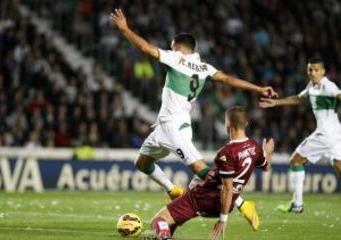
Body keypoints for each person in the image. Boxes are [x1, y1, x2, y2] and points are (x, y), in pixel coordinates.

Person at [110, 9, 277, 230]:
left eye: (172, 46)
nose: (170, 49)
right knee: (142, 163)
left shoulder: (176, 58)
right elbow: (227, 79)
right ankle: (172, 189)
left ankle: (242, 203)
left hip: (173, 127)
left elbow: (145, 48)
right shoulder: (204, 68)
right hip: (169, 125)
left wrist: (125, 29)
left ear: (178, 46)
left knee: (201, 170)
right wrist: (258, 88)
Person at [148, 106, 274, 240]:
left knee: (158, 220)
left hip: (205, 199)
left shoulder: (226, 153)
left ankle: (164, 237)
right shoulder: (254, 147)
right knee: (175, 212)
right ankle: (165, 235)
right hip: (226, 203)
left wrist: (222, 220)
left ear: (228, 124)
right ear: (246, 123)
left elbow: (227, 188)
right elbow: (266, 166)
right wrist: (268, 152)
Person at [260, 57, 341, 213]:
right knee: (339, 168)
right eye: (310, 69)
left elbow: (338, 94)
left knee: (296, 160)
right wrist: (276, 103)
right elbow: (298, 99)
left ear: (323, 72)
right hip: (336, 132)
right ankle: (297, 204)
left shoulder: (328, 86)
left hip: (325, 134)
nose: (313, 72)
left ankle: (297, 204)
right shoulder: (311, 86)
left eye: (317, 70)